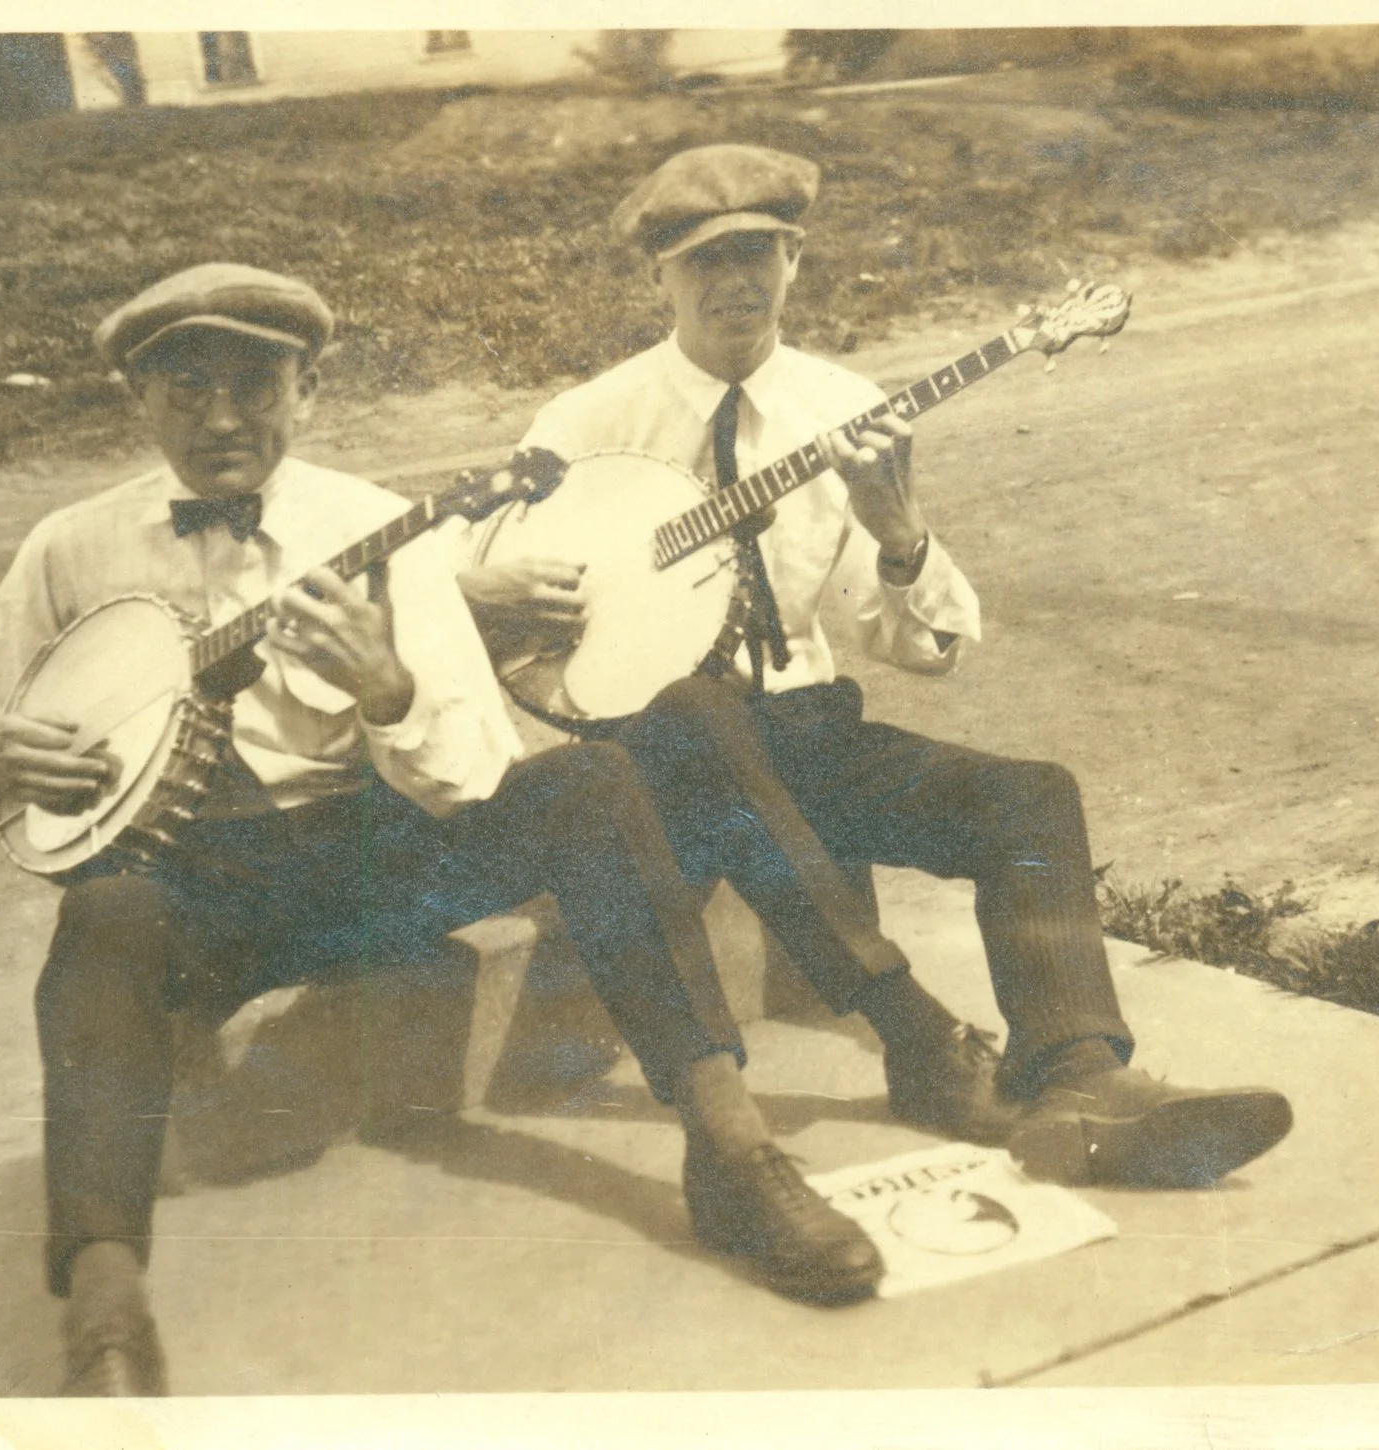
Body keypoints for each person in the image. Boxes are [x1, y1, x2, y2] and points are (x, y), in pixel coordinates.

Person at [0, 263, 885, 1396]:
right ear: (140, 400)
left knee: (589, 786)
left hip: (376, 859)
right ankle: (104, 1304)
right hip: (204, 887)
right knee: (104, 909)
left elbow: (472, 770)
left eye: (255, 386)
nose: (222, 418)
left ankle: (732, 1153)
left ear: (310, 390)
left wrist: (387, 693)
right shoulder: (70, 547)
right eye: (186, 391)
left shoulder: (375, 527)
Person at [460, 146, 1295, 1192]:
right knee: (693, 708)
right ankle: (917, 1037)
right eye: (706, 261)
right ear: (658, 278)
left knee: (1029, 797)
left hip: (806, 731)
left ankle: (1080, 1072)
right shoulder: (588, 425)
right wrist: (485, 592)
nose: (736, 283)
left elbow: (913, 648)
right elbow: (471, 580)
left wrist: (899, 537)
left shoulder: (839, 409)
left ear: (796, 262)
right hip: (657, 760)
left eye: (759, 254)